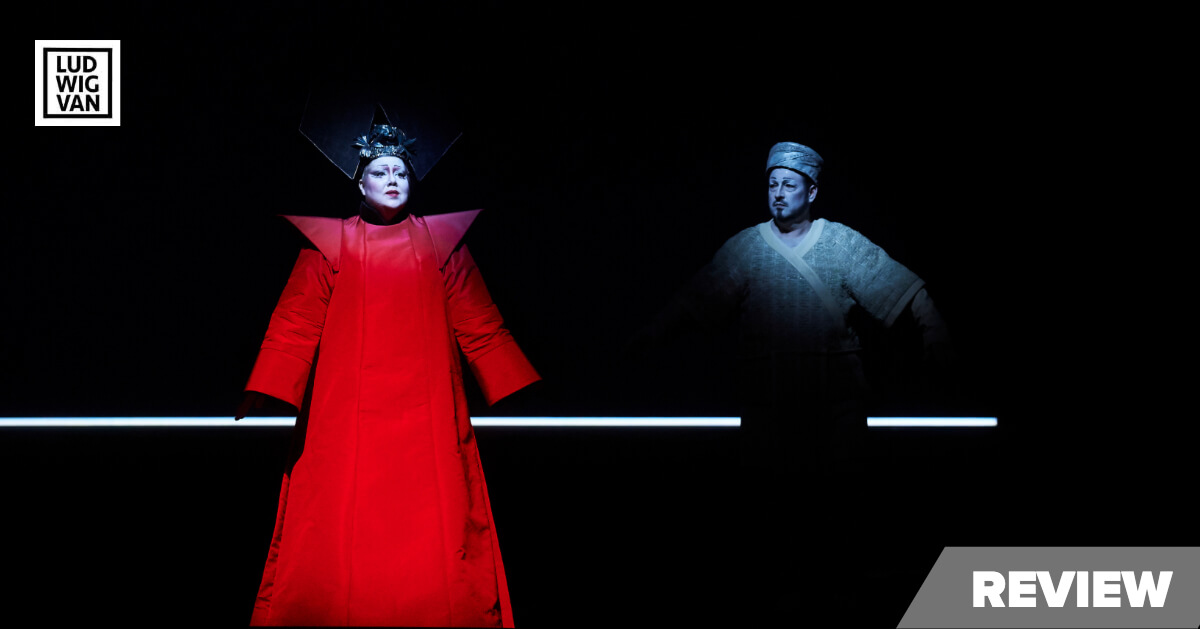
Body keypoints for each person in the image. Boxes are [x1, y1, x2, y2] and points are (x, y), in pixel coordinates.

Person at [237, 118, 539, 627]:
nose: (393, 179)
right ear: (361, 184)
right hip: (345, 416)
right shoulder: (328, 246)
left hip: (427, 415)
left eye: (400, 171)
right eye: (380, 172)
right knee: (340, 525)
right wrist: (266, 387)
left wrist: (513, 383)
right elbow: (296, 322)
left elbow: (479, 321)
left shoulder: (443, 244)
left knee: (435, 524)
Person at [637, 141, 952, 621]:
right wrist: (648, 339)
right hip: (769, 402)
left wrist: (936, 334)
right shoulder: (746, 248)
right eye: (772, 184)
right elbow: (692, 302)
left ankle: (842, 594)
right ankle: (781, 594)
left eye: (789, 184)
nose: (779, 193)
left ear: (812, 191)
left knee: (839, 503)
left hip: (836, 403)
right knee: (774, 507)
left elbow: (906, 290)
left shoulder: (840, 242)